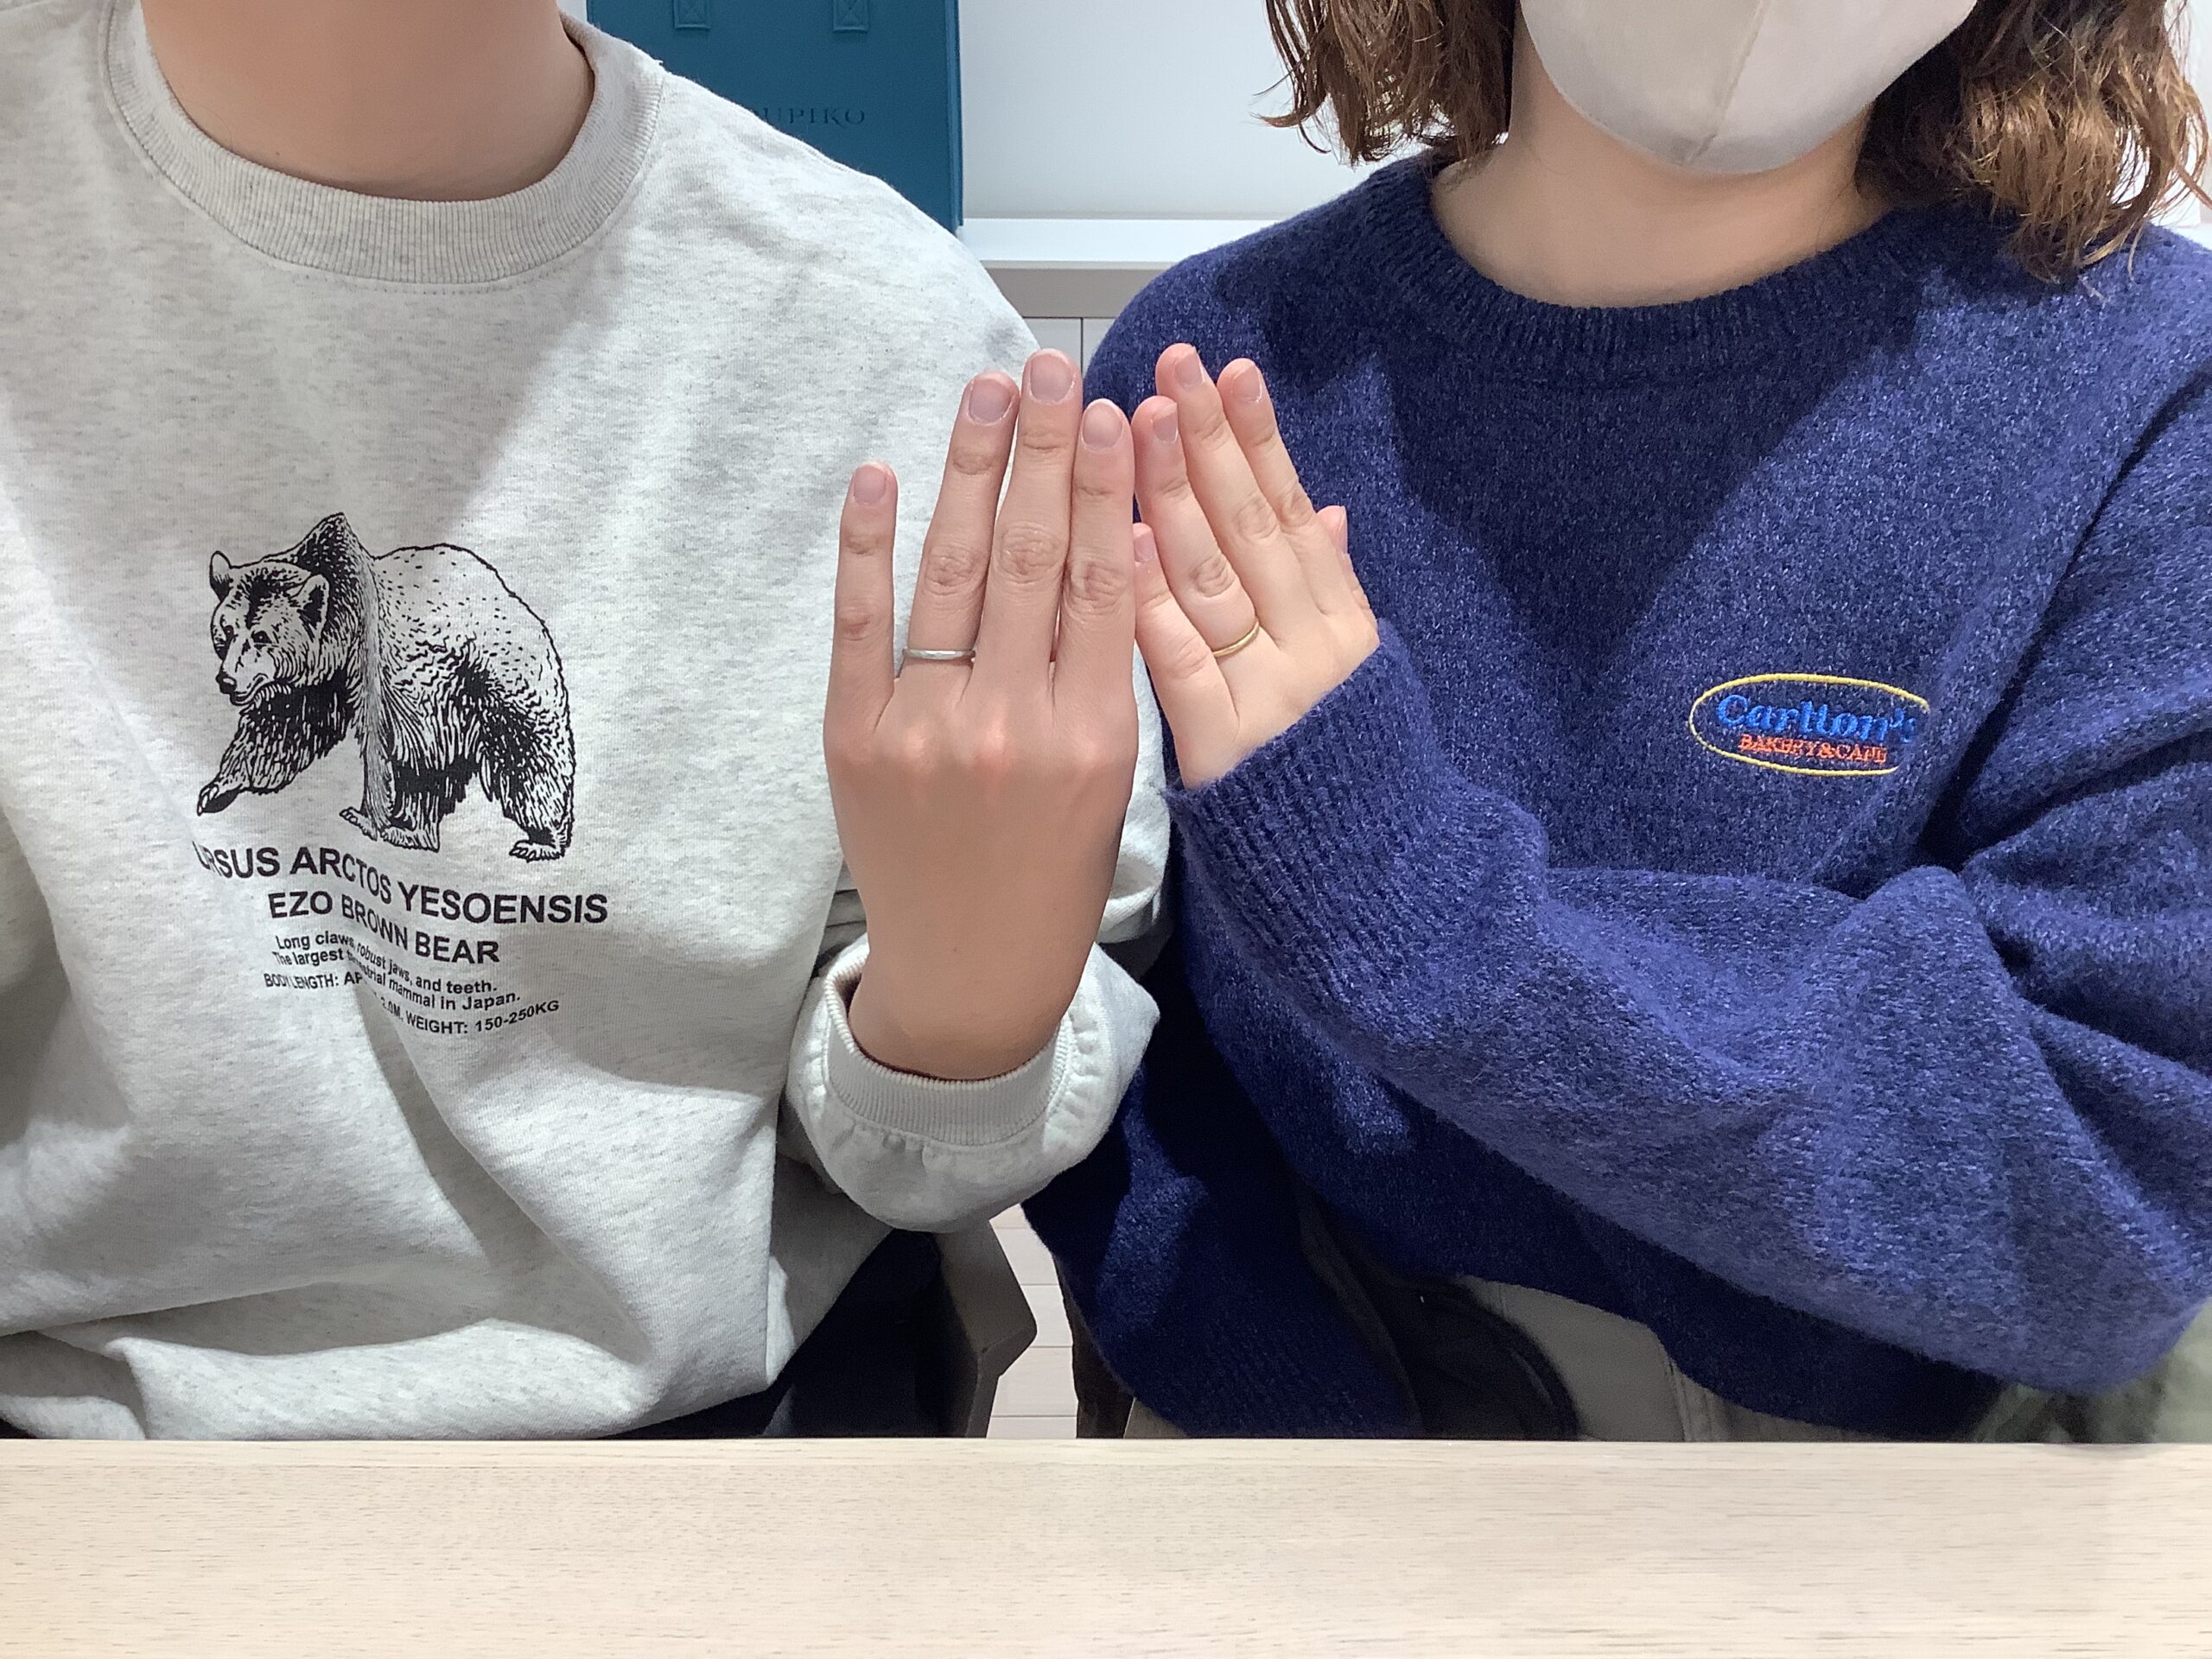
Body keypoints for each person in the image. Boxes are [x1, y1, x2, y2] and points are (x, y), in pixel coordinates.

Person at [1028, 0, 2212, 1440]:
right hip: (1306, 1448)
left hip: (1896, 1494)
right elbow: (1108, 1051)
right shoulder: (1213, 370)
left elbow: (2101, 1186)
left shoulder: (2154, 389)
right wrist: (1300, 1425)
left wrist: (1409, 905)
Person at [0, 0, 1166, 1439]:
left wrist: (956, 1018)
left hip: (709, 1424)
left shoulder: (883, 340)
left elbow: (936, 1122)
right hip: (74, 1435)